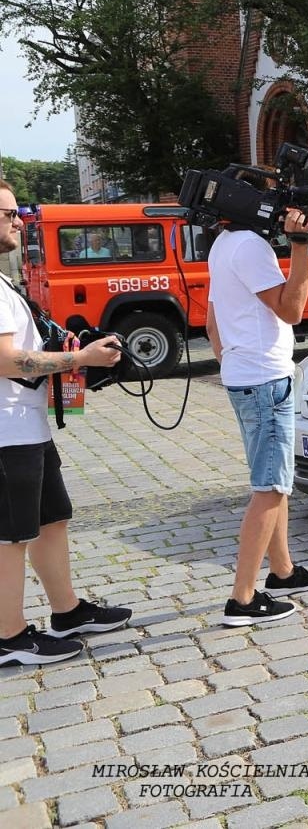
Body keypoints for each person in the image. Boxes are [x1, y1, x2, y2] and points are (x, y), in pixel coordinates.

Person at [0, 181, 131, 665]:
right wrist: (78, 359)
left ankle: (67, 610)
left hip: (25, 426)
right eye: (9, 214)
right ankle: (9, 637)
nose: (19, 222)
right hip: (6, 433)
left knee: (50, 519)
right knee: (11, 536)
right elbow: (6, 361)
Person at [207, 202, 308, 626]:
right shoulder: (250, 246)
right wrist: (300, 245)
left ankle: (282, 572)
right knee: (270, 488)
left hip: (248, 377)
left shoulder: (224, 243)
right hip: (264, 381)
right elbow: (292, 310)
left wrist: (233, 363)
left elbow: (212, 323)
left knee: (275, 482)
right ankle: (242, 599)